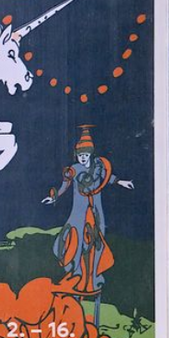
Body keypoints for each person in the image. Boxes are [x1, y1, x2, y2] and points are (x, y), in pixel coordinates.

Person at [42, 124, 134, 298]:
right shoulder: (74, 169)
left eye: (85, 155)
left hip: (95, 212)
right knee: (72, 242)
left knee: (94, 245)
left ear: (90, 154)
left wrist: (121, 182)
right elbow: (64, 186)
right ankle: (76, 274)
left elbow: (108, 178)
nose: (82, 158)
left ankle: (90, 279)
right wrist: (54, 197)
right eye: (80, 155)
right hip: (78, 213)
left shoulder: (98, 168)